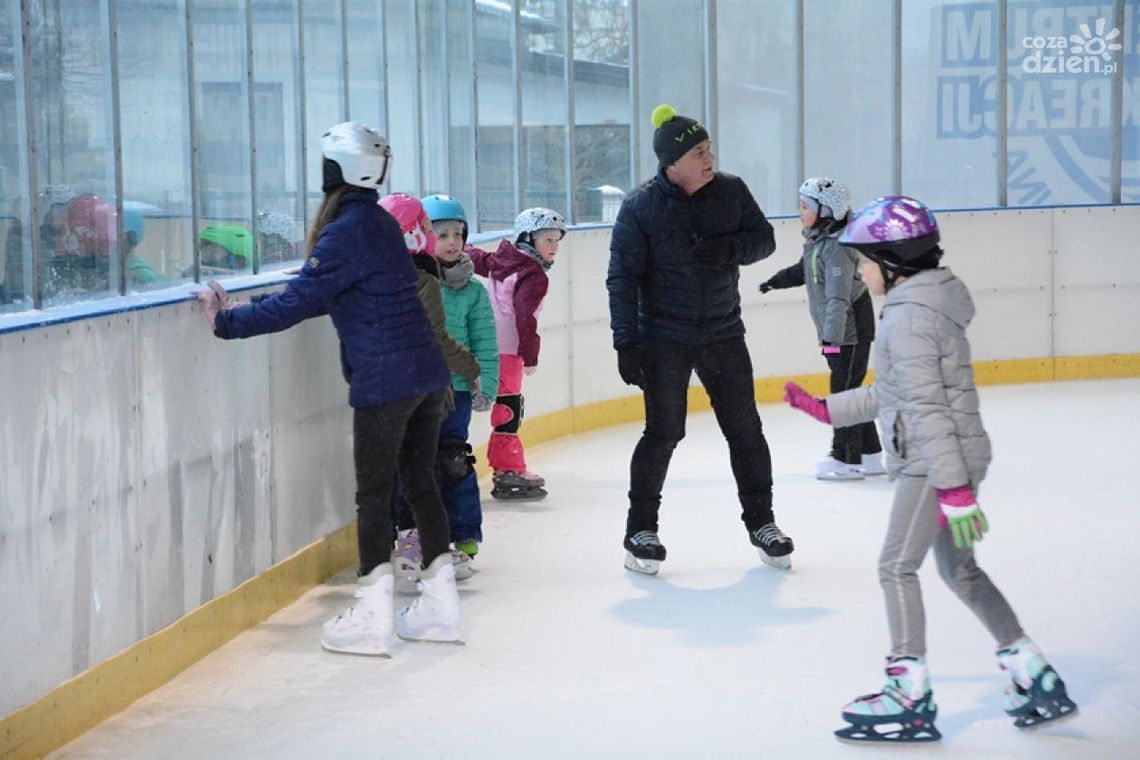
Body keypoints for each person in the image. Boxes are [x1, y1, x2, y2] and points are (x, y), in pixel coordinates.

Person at [783, 196, 1077, 743]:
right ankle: (1031, 671)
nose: (862, 271)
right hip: (951, 456)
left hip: (931, 461)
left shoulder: (907, 322)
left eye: (866, 262)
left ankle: (907, 693)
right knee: (960, 571)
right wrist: (828, 408)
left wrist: (954, 491)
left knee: (896, 567)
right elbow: (897, 394)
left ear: (892, 263)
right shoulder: (921, 306)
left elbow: (927, 412)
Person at [196, 121, 463, 656]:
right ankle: (438, 607)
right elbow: (319, 291)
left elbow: (300, 300)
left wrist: (228, 321)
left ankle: (371, 615)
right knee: (420, 484)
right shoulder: (380, 225)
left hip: (387, 381)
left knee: (374, 494)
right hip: (426, 376)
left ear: (336, 169)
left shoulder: (347, 230)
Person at [606, 103, 794, 576]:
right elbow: (621, 280)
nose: (709, 159)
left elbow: (765, 240)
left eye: (710, 149)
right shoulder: (641, 207)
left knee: (745, 429)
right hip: (663, 337)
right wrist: (626, 343)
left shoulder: (730, 192)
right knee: (664, 432)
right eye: (699, 152)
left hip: (723, 332)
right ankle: (639, 531)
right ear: (673, 163)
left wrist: (727, 249)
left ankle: (763, 523)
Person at [378, 192, 482, 592]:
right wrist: (470, 369)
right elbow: (436, 338)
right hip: (417, 389)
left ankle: (399, 551)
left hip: (381, 388)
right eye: (429, 229)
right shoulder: (422, 278)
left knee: (399, 473)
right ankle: (414, 549)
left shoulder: (375, 273)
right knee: (417, 471)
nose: (444, 240)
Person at [758, 177, 883, 481]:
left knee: (843, 395)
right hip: (841, 333)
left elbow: (838, 298)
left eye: (805, 207)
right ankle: (870, 455)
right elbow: (803, 271)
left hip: (848, 333)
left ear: (826, 211)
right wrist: (775, 281)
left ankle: (846, 459)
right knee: (850, 391)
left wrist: (832, 339)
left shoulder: (838, 249)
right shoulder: (819, 243)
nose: (799, 212)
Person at [468, 206, 565, 501]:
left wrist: (462, 247)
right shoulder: (533, 275)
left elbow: (480, 260)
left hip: (486, 345)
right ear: (527, 238)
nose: (554, 247)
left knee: (503, 406)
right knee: (508, 409)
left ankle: (504, 465)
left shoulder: (505, 260)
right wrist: (531, 355)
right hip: (508, 351)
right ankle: (507, 468)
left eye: (557, 241)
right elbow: (525, 318)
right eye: (548, 240)